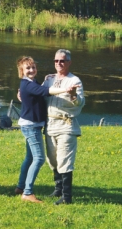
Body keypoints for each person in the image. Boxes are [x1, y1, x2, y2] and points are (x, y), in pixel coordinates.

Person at [14, 56, 79, 204]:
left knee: (30, 158)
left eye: (33, 67)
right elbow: (47, 91)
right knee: (39, 158)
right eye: (28, 68)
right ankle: (27, 192)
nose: (31, 70)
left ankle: (20, 187)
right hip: (31, 126)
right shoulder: (28, 84)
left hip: (31, 124)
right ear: (22, 71)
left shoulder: (31, 83)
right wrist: (66, 89)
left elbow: (36, 96)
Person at [42, 49, 85, 205]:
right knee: (52, 160)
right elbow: (40, 94)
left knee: (64, 160)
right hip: (50, 125)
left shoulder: (75, 81)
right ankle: (58, 189)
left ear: (69, 62)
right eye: (56, 61)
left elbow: (80, 102)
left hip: (66, 125)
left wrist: (73, 95)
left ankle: (67, 197)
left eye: (62, 60)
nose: (59, 63)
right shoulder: (48, 80)